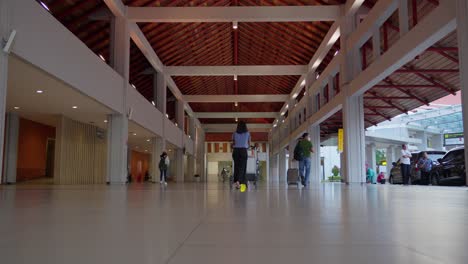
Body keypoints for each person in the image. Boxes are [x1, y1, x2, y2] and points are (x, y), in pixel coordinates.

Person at [232, 121, 251, 192]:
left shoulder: (234, 133)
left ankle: (237, 181)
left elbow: (233, 143)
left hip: (235, 151)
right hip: (243, 151)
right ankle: (239, 181)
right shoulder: (248, 133)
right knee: (242, 167)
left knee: (236, 166)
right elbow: (249, 144)